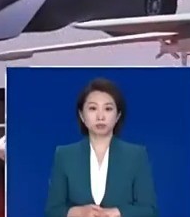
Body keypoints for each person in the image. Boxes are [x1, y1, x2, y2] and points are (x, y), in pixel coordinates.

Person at [46, 77, 158, 217]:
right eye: (93, 108)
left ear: (117, 116)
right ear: (82, 115)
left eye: (108, 109)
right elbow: (52, 211)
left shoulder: (136, 155)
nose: (100, 116)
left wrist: (116, 213)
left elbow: (149, 210)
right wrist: (78, 212)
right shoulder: (64, 155)